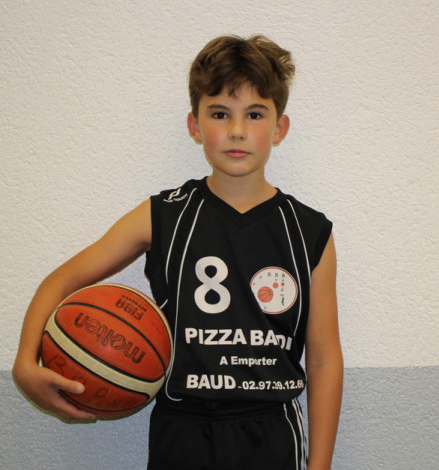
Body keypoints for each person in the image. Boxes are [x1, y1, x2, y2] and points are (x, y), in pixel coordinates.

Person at [12, 34, 343, 470]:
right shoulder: (164, 214)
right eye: (220, 114)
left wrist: (320, 466)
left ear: (279, 128)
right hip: (181, 429)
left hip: (272, 431)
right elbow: (63, 280)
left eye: (255, 114)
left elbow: (323, 360)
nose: (237, 130)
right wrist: (24, 362)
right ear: (195, 126)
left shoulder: (309, 231)